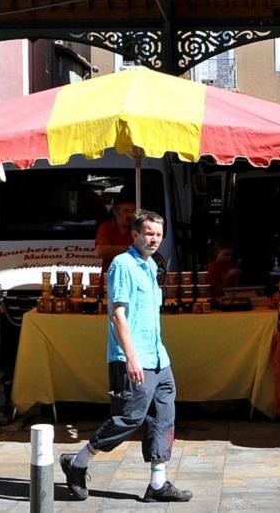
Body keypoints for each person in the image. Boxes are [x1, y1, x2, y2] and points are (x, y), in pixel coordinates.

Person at [60, 210, 192, 503]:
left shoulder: (151, 265)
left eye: (158, 234)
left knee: (163, 418)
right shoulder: (122, 264)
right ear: (135, 235)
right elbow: (117, 314)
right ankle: (78, 461)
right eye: (148, 233)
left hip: (159, 358)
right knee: (129, 418)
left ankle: (158, 484)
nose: (154, 239)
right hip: (132, 357)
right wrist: (131, 357)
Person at [94, 198, 138, 272]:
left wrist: (112, 250)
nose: (130, 215)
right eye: (126, 211)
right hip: (109, 277)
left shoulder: (139, 229)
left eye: (133, 211)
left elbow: (142, 251)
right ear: (116, 212)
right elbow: (101, 251)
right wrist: (132, 249)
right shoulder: (106, 227)